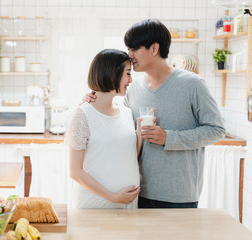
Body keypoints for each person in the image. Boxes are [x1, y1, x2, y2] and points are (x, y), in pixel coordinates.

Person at [85, 19, 226, 208]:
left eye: (133, 49)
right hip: (137, 192)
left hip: (179, 196)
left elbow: (216, 130)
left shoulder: (193, 85)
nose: (129, 55)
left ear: (154, 49)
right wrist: (94, 99)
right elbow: (122, 131)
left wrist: (169, 138)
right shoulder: (133, 89)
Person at [67, 49, 141, 209]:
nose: (131, 79)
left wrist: (140, 135)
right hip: (95, 206)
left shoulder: (127, 113)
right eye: (128, 73)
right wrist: (113, 197)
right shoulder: (82, 114)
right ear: (111, 73)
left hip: (127, 206)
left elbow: (128, 156)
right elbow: (75, 172)